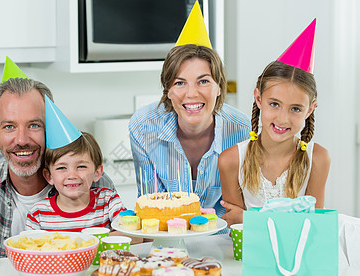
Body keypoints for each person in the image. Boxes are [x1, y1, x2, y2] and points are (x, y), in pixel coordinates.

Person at [0, 77, 115, 265]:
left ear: (50, 129)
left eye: (34, 125)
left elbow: (123, 247)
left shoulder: (88, 181)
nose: (22, 139)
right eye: (9, 126)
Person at [218, 19, 330, 227]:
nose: (282, 119)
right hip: (248, 259)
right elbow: (238, 232)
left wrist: (250, 219)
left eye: (295, 109)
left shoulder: (317, 159)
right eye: (274, 104)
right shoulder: (231, 161)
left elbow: (314, 229)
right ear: (258, 99)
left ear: (311, 109)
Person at [129, 44, 250, 219]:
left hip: (223, 238)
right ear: (168, 92)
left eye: (203, 81)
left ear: (219, 88)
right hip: (167, 238)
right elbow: (152, 207)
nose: (191, 93)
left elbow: (240, 210)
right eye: (179, 83)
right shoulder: (143, 127)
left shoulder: (242, 129)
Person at [25, 132, 125, 231]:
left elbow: (133, 234)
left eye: (81, 166)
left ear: (97, 173)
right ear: (49, 176)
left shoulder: (108, 201)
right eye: (62, 168)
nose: (72, 176)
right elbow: (28, 245)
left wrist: (87, 242)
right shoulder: (38, 214)